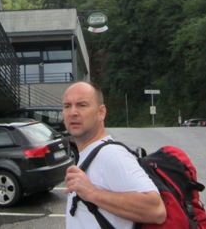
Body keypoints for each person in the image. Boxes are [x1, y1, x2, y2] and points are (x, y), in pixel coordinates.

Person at [63, 81, 166, 228]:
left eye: (82, 105)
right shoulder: (90, 153)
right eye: (67, 106)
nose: (73, 112)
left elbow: (156, 210)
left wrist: (92, 193)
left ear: (101, 113)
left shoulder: (111, 155)